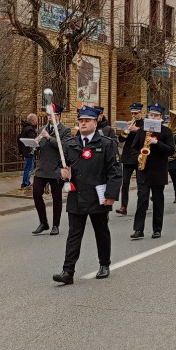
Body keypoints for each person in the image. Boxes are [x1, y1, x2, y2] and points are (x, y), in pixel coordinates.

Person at [52, 106, 122, 285]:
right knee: (74, 234)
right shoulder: (69, 144)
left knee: (101, 231)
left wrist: (111, 195)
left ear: (95, 122)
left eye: (87, 121)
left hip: (98, 194)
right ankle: (68, 271)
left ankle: (104, 264)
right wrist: (62, 174)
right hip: (77, 195)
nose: (83, 123)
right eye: (81, 121)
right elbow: (59, 166)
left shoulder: (106, 144)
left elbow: (114, 171)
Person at [129, 103, 175, 239]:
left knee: (158, 200)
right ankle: (138, 229)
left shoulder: (166, 132)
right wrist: (138, 155)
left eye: (156, 115)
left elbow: (171, 150)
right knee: (142, 200)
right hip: (143, 170)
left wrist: (156, 143)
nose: (153, 117)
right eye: (151, 115)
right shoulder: (142, 130)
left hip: (159, 171)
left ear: (161, 117)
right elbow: (133, 148)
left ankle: (157, 229)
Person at [30, 110, 71, 236]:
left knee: (56, 197)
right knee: (36, 193)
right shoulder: (41, 129)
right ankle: (43, 223)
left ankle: (55, 225)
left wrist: (49, 137)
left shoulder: (65, 130)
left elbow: (64, 147)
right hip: (42, 167)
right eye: (47, 115)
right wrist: (34, 144)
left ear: (58, 116)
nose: (49, 118)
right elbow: (38, 150)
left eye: (51, 115)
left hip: (55, 168)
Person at [116, 102, 143, 214]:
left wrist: (137, 129)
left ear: (141, 112)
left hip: (139, 156)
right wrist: (124, 132)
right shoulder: (129, 123)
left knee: (140, 183)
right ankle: (123, 206)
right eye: (132, 113)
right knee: (125, 182)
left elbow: (147, 137)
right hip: (127, 157)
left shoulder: (144, 124)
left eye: (136, 113)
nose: (133, 115)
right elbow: (121, 141)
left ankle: (141, 205)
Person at [165, 114, 176, 203]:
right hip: (164, 158)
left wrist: (173, 156)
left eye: (169, 122)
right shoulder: (162, 132)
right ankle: (157, 194)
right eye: (166, 123)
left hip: (173, 159)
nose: (168, 124)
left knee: (174, 178)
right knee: (160, 177)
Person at [18, 113, 37, 188]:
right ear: (33, 120)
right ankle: (25, 183)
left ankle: (26, 181)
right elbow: (32, 140)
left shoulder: (25, 128)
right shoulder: (30, 129)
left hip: (25, 151)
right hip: (29, 151)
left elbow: (19, 139)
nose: (37, 121)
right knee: (29, 168)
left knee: (27, 167)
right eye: (36, 119)